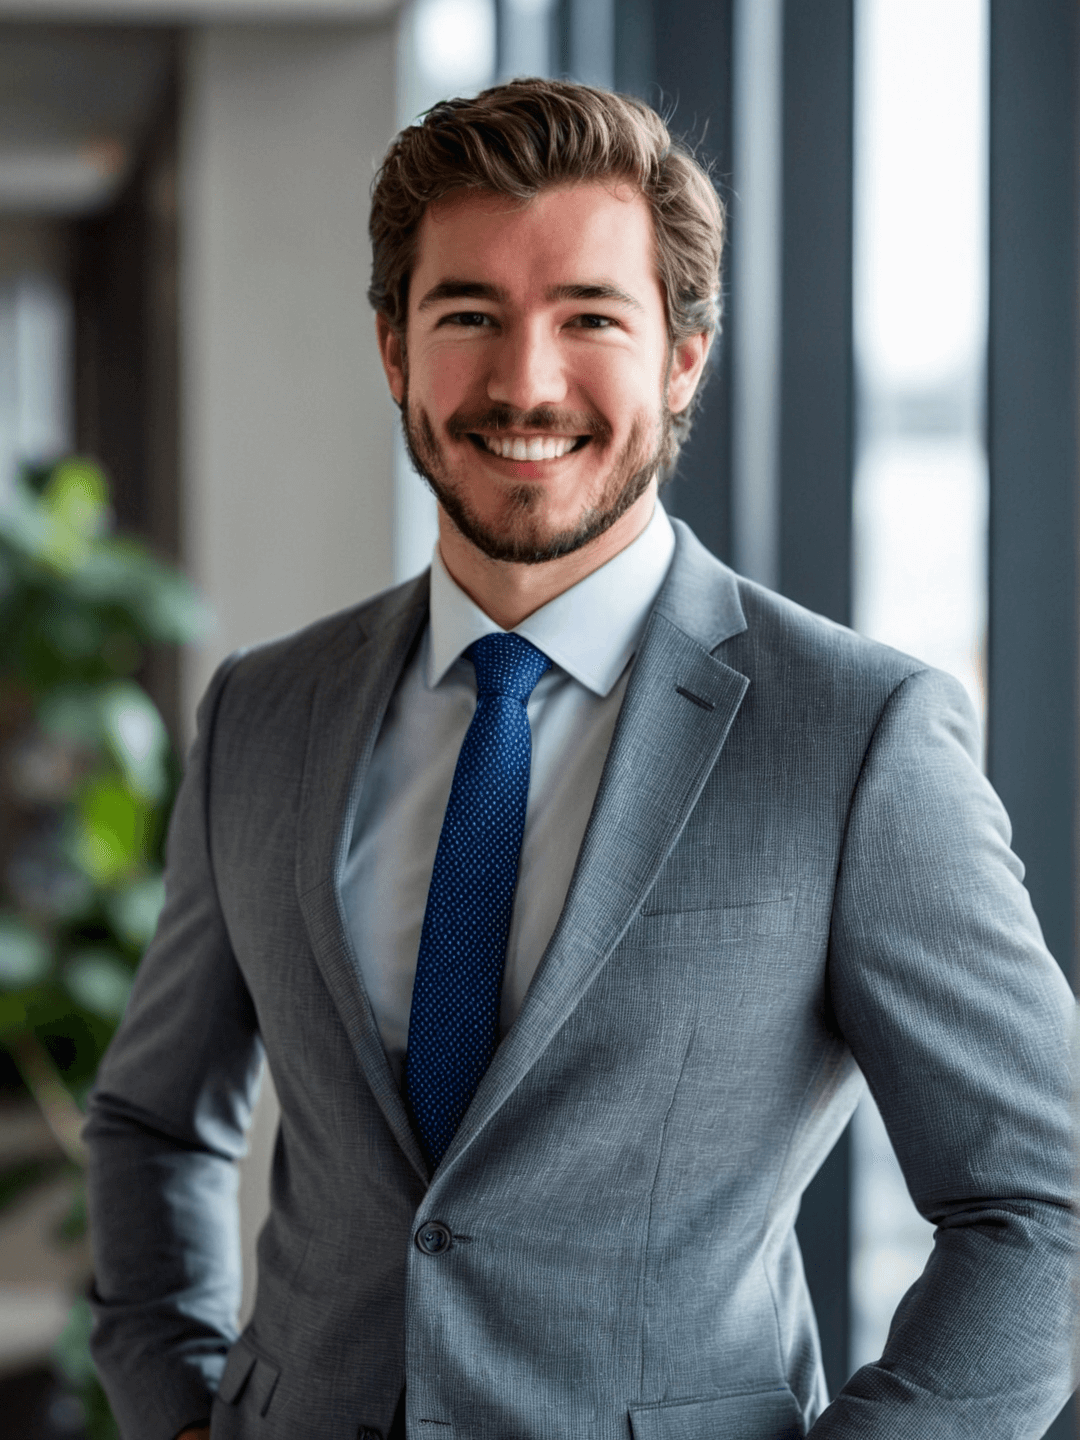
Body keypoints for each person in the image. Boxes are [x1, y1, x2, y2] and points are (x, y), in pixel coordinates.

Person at [85, 79, 1075, 1440]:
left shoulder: (855, 736)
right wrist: (177, 1406)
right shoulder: (263, 711)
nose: (525, 382)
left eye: (590, 318)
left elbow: (1042, 1203)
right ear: (393, 348)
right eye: (468, 317)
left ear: (683, 354)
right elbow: (152, 1121)